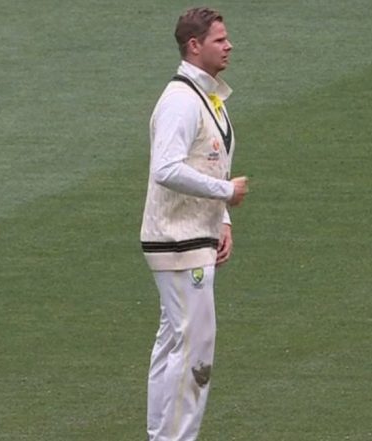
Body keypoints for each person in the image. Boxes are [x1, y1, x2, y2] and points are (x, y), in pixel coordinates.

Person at [139, 6, 248, 441]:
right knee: (195, 350)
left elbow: (209, 159)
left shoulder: (207, 95)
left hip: (191, 237)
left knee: (173, 345)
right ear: (194, 46)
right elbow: (166, 167)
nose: (229, 45)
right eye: (220, 39)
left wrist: (221, 220)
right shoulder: (181, 101)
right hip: (177, 242)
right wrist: (225, 195)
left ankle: (161, 436)